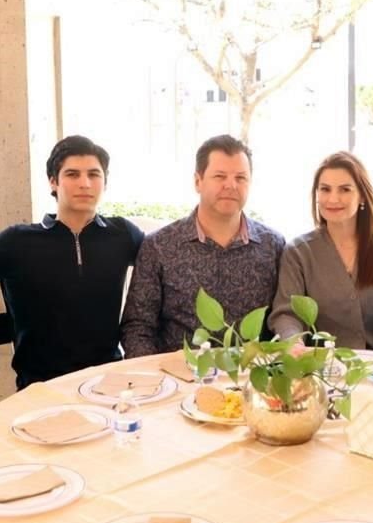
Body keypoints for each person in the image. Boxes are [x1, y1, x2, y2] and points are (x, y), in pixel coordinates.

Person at [0, 135, 144, 388]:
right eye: (72, 174)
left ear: (105, 182)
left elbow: (165, 263)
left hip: (108, 382)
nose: (85, 183)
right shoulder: (17, 241)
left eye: (94, 174)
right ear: (53, 182)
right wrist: (12, 323)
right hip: (40, 387)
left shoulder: (122, 233)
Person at [121, 134, 284, 356]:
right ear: (198, 181)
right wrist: (157, 381)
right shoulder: (159, 246)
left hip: (252, 379)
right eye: (220, 176)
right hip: (178, 380)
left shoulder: (272, 245)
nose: (231, 185)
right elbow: (138, 328)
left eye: (241, 177)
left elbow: (282, 321)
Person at [268, 151, 373, 353]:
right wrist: (295, 345)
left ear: (362, 195)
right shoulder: (298, 252)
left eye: (345, 189)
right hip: (319, 369)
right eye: (325, 189)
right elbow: (286, 314)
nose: (333, 198)